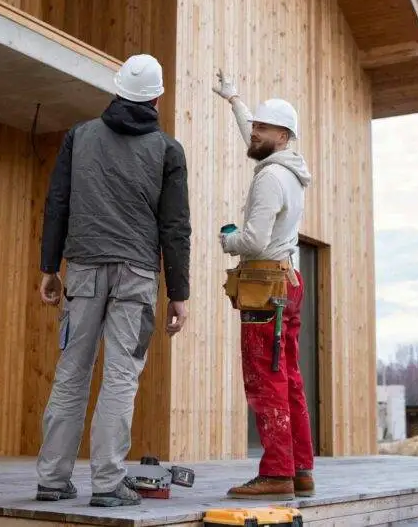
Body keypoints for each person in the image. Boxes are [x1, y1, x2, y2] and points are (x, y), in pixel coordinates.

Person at [34, 53, 192, 508]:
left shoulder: (79, 137)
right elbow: (174, 228)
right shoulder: (167, 150)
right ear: (158, 98)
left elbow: (57, 202)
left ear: (118, 88)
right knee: (121, 378)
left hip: (81, 270)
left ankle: (52, 479)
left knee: (71, 373)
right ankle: (107, 484)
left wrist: (50, 267)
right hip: (137, 278)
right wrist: (178, 294)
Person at [212, 71, 315, 501]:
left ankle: (276, 474)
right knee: (288, 375)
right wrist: (235, 101)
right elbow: (251, 137)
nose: (253, 131)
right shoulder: (287, 168)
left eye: (261, 127)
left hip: (265, 282)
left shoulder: (270, 178)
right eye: (253, 125)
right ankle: (300, 469)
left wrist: (226, 240)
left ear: (282, 135)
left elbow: (252, 240)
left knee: (264, 378)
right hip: (287, 280)